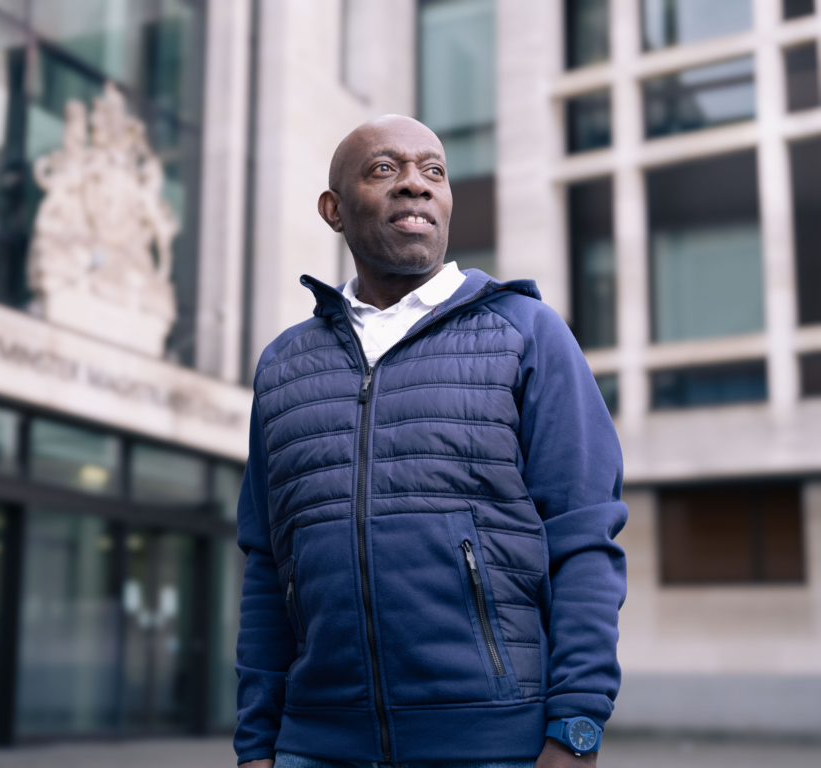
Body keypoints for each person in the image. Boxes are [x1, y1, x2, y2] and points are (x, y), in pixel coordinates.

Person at [234, 115, 626, 768]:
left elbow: (584, 541)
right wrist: (255, 746)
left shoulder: (526, 333)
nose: (415, 184)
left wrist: (576, 729)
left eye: (433, 172)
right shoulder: (284, 366)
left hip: (495, 746)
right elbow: (268, 570)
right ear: (334, 210)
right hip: (314, 746)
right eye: (385, 169)